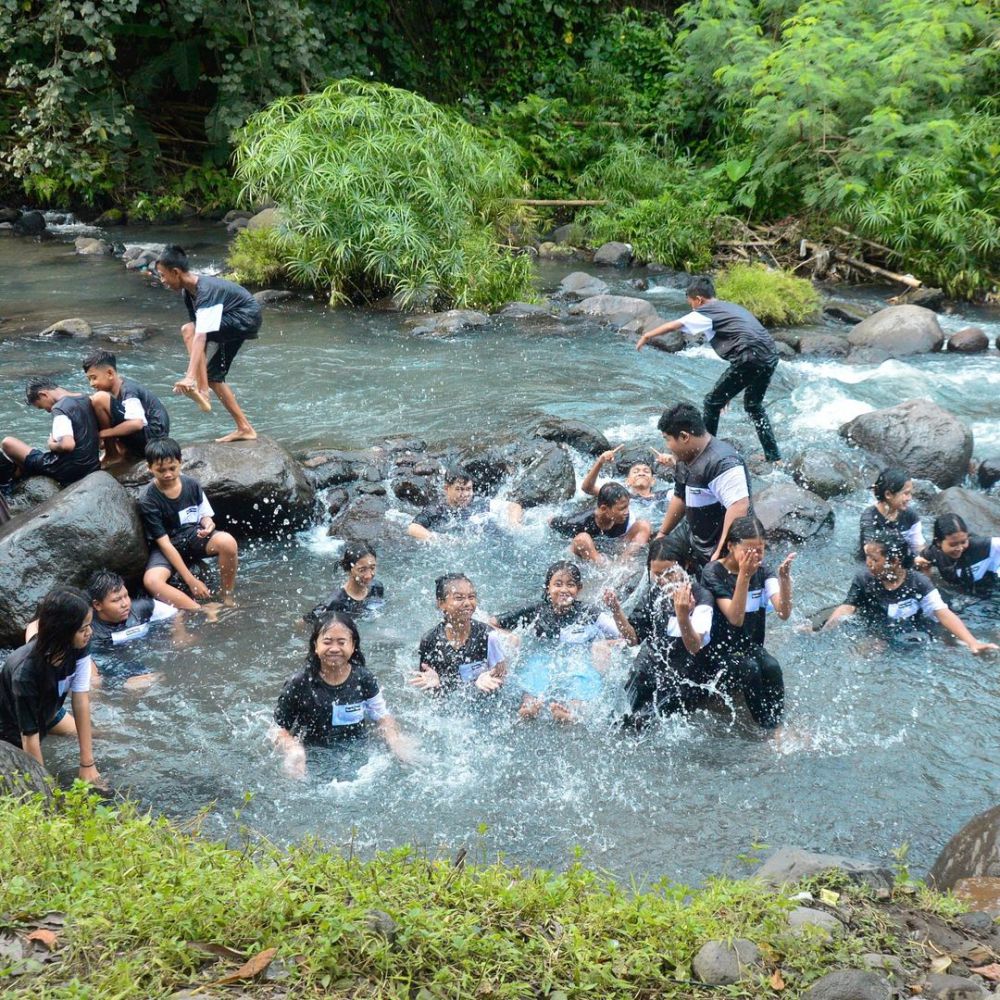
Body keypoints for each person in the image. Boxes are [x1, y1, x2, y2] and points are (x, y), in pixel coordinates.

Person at [637, 275, 781, 462]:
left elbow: (676, 325)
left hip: (749, 357)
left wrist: (647, 335)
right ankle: (774, 456)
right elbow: (745, 341)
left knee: (711, 402)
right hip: (770, 355)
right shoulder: (731, 308)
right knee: (754, 405)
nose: (692, 308)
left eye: (691, 304)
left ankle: (705, 455)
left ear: (699, 299)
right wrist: (728, 393)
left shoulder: (705, 311)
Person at [271, 610, 414, 778]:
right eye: (327, 642)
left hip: (358, 752)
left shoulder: (363, 678)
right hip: (314, 755)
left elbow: (382, 716)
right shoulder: (299, 683)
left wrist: (395, 740)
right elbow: (277, 728)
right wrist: (292, 749)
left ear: (353, 646)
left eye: (341, 642)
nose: (334, 649)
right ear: (315, 646)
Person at [603, 534, 714, 729]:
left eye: (670, 573)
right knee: (617, 718)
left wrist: (682, 615)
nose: (663, 581)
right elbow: (633, 639)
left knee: (643, 723)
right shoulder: (654, 593)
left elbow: (694, 646)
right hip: (650, 666)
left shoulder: (702, 597)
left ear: (685, 566)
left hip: (685, 675)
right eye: (657, 574)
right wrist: (616, 611)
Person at [0, 587, 105, 787]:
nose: (89, 633)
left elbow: (80, 699)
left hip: (48, 709)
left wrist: (87, 764)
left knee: (100, 734)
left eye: (89, 625)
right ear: (63, 632)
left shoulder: (78, 645)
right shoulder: (25, 674)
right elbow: (29, 739)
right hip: (12, 726)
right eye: (83, 628)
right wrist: (48, 789)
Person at [492, 561, 621, 722]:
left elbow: (624, 636)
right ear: (548, 588)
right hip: (542, 655)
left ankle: (573, 711)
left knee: (583, 676)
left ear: (579, 589)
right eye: (558, 584)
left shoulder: (590, 613)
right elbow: (491, 623)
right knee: (535, 671)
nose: (564, 590)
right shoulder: (536, 611)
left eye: (570, 585)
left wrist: (603, 645)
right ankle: (528, 706)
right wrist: (511, 637)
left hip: (579, 658)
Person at [154, 245, 259, 442]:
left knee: (189, 330)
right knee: (214, 376)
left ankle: (201, 388)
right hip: (233, 319)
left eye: (163, 275)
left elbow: (199, 335)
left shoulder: (206, 290)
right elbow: (199, 340)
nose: (162, 281)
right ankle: (245, 428)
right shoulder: (188, 293)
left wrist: (189, 377)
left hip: (245, 317)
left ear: (175, 272)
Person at [824, 535, 997, 653]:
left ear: (894, 561)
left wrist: (972, 642)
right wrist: (825, 631)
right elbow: (847, 606)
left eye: (875, 559)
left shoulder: (918, 583)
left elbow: (943, 614)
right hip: (878, 630)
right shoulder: (864, 579)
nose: (868, 563)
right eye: (867, 557)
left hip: (912, 632)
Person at [700, 515, 794, 730]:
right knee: (750, 669)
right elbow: (735, 618)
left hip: (748, 646)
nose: (755, 556)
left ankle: (777, 726)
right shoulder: (713, 572)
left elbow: (783, 612)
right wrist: (744, 576)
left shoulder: (763, 571)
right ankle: (766, 728)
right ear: (731, 546)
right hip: (716, 651)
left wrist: (785, 580)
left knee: (771, 666)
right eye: (749, 550)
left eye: (760, 550)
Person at [137, 437, 239, 610]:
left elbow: (205, 515)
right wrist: (191, 580)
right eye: (161, 470)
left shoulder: (191, 484)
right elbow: (164, 544)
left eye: (172, 468)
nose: (168, 474)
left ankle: (227, 597)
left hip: (192, 535)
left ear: (180, 463)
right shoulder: (148, 499)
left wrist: (208, 525)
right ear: (150, 468)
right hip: (167, 545)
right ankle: (200, 609)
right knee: (152, 581)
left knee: (228, 542)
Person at [653, 402, 751, 568]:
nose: (667, 447)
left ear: (684, 437)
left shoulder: (722, 462)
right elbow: (680, 496)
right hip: (694, 536)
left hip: (718, 544)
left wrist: (720, 553)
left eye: (667, 439)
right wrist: (663, 533)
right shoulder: (686, 457)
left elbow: (739, 506)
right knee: (656, 558)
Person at [410, 573, 506, 695]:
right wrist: (435, 685)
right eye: (459, 598)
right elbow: (427, 683)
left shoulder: (488, 636)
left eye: (471, 597)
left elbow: (501, 675)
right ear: (441, 603)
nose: (467, 603)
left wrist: (488, 677)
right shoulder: (430, 640)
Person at [0, 378, 100, 486]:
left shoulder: (59, 408)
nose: (47, 410)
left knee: (8, 443)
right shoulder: (84, 398)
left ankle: (21, 475)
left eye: (41, 407)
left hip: (68, 470)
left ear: (43, 394)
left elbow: (68, 445)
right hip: (91, 465)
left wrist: (51, 445)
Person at [81, 349, 170, 464]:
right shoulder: (118, 391)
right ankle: (119, 450)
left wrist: (104, 434)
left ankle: (112, 454)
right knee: (92, 400)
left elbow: (136, 423)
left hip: (152, 442)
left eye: (94, 378)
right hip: (146, 442)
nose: (91, 384)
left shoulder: (129, 390)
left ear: (109, 373)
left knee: (99, 399)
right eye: (89, 379)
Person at [407, 466, 522, 541]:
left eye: (468, 489)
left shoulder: (478, 502)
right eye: (459, 489)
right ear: (447, 488)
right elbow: (413, 528)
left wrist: (513, 523)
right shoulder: (437, 509)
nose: (465, 494)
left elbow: (513, 506)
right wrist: (440, 540)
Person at [550, 481, 651, 564]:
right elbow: (550, 521)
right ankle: (607, 571)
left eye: (627, 507)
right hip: (591, 556)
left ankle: (624, 564)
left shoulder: (624, 517)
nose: (626, 512)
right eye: (622, 509)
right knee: (582, 539)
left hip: (615, 547)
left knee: (643, 525)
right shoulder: (577, 523)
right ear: (604, 509)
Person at [86, 569, 177, 648]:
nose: (125, 604)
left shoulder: (144, 608)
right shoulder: (90, 631)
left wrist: (180, 635)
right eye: (116, 600)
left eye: (126, 596)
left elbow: (175, 614)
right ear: (97, 605)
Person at [580, 445, 673, 517]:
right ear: (627, 481)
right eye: (636, 472)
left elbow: (686, 487)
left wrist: (674, 463)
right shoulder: (621, 496)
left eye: (646, 471)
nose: (641, 473)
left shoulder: (664, 495)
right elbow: (587, 488)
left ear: (653, 481)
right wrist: (600, 462)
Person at [919, 513, 1000, 595]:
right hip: (958, 592)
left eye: (964, 542)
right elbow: (921, 564)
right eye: (953, 544)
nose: (960, 548)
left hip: (989, 590)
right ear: (938, 542)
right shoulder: (933, 553)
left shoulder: (982, 546)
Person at [859, 468, 924, 566]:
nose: (910, 498)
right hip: (875, 565)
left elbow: (918, 547)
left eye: (910, 493)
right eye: (906, 493)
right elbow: (870, 551)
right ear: (888, 494)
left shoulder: (910, 516)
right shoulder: (870, 516)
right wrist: (911, 561)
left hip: (901, 562)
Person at [306, 542, 385, 623]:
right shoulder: (335, 602)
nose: (368, 576)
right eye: (362, 570)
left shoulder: (377, 587)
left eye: (372, 568)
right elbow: (306, 622)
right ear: (349, 570)